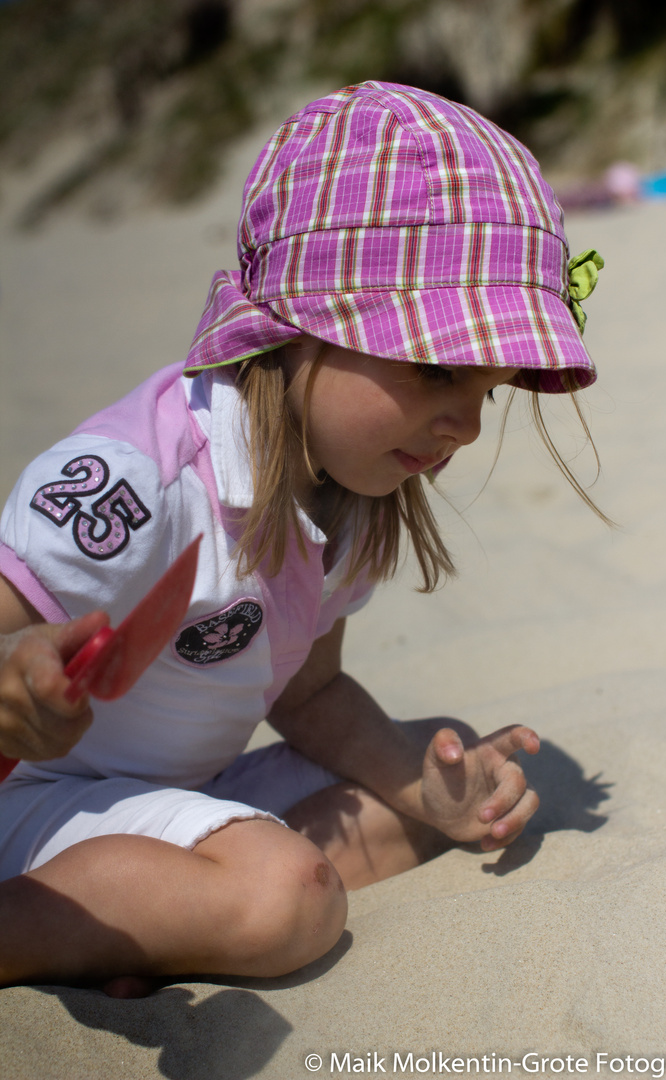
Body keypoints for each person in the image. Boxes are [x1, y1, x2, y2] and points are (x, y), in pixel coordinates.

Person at [0, 81, 604, 997]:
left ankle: (134, 925)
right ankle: (47, 929)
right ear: (299, 324)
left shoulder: (350, 496)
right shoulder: (139, 481)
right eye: (437, 368)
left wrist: (424, 783)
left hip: (171, 793)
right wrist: (14, 682)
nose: (468, 429)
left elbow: (311, 691)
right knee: (290, 896)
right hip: (29, 799)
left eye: (488, 391)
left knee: (438, 794)